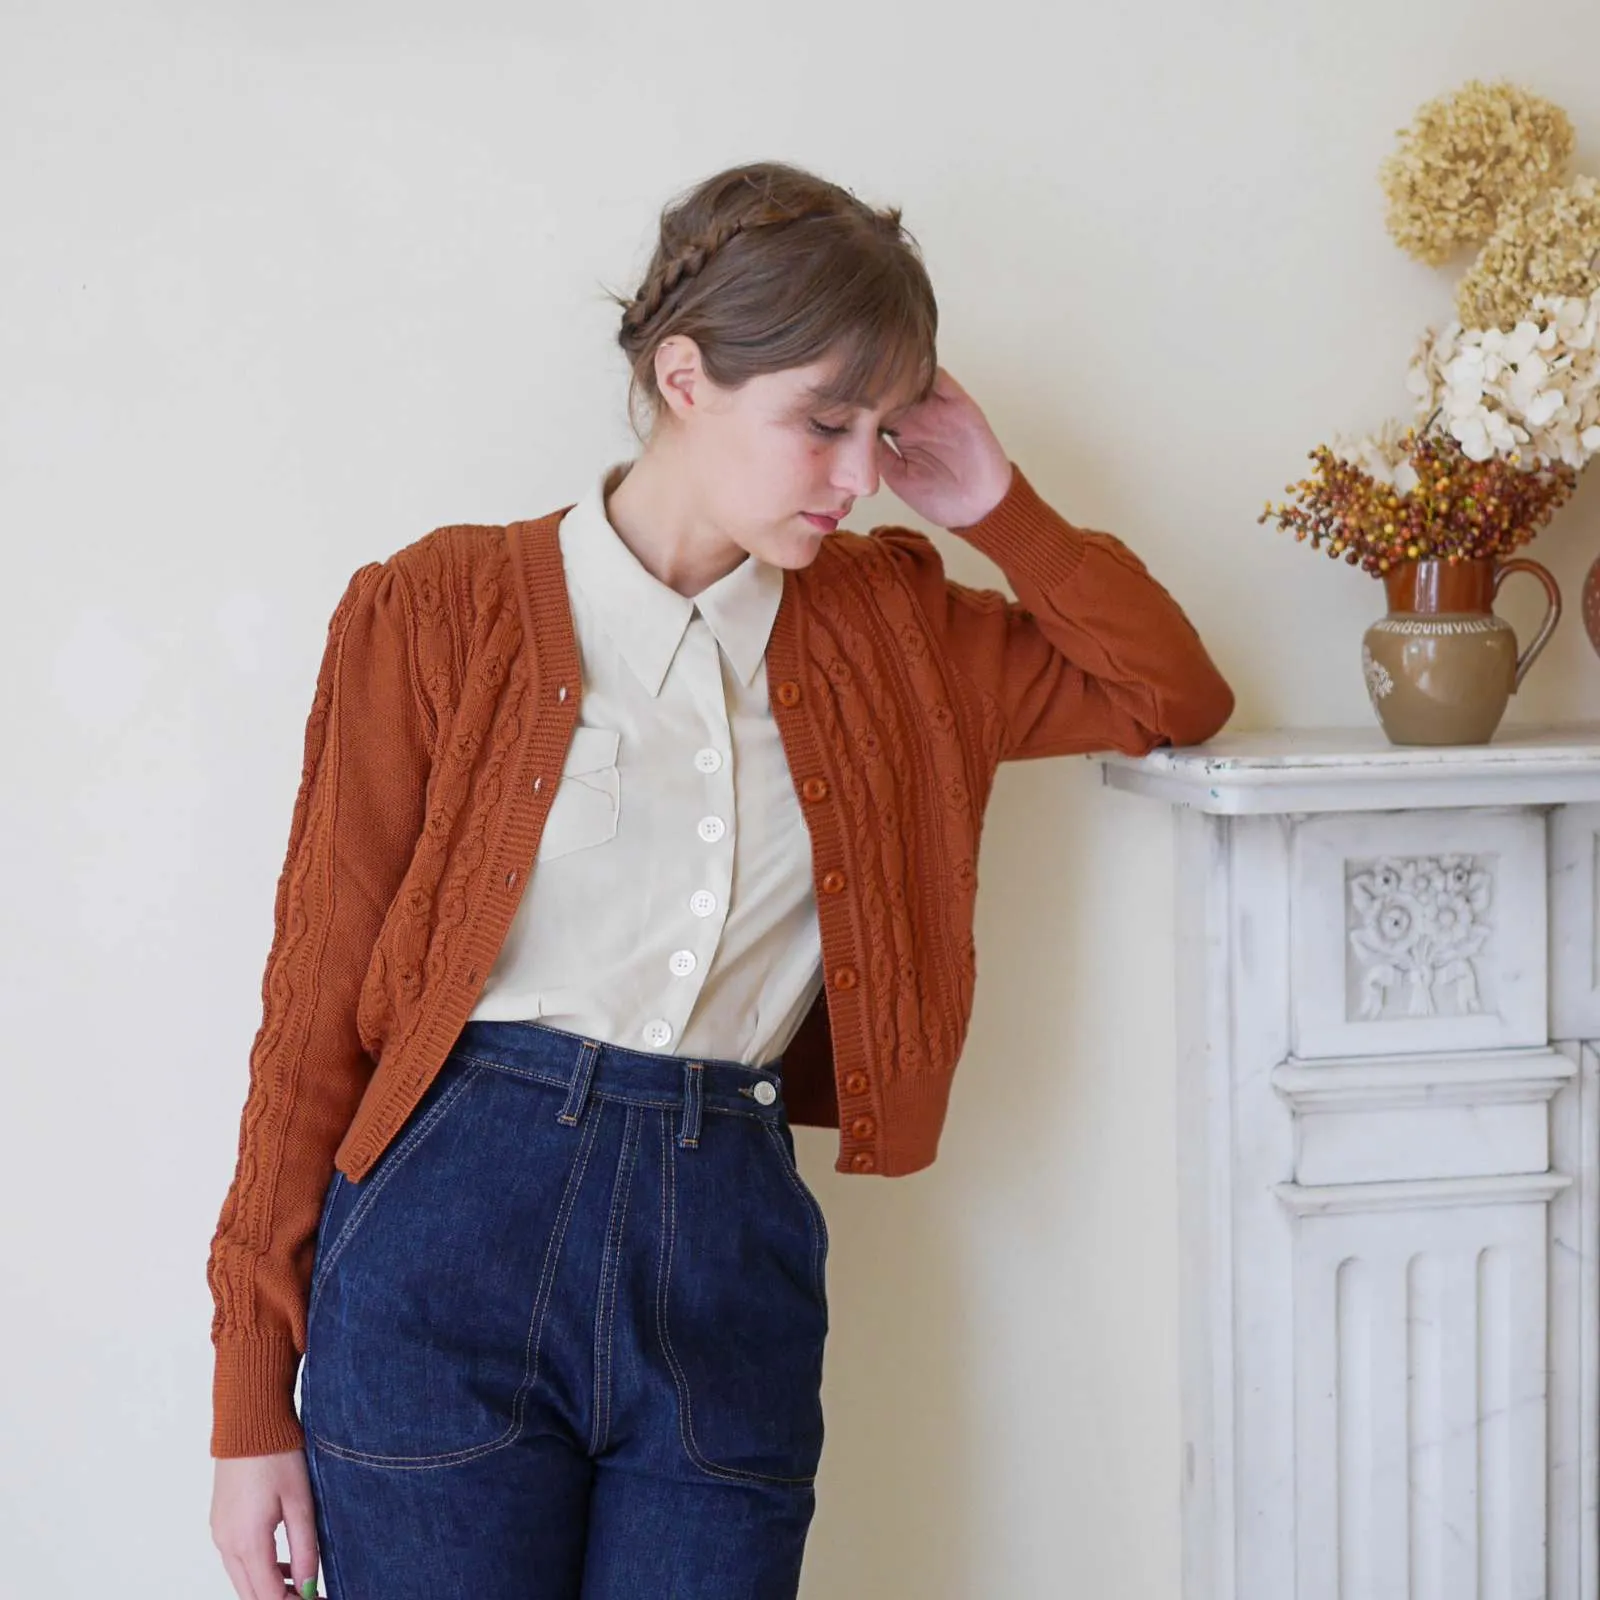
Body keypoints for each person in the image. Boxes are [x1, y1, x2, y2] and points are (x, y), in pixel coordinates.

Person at [205, 159, 1234, 1600]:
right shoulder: (436, 611)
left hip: (726, 1243)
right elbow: (312, 1006)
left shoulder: (898, 636)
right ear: (683, 376)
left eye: (884, 432)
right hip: (444, 1241)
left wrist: (1000, 508)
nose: (862, 476)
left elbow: (1171, 696)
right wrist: (252, 1397)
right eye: (823, 424)